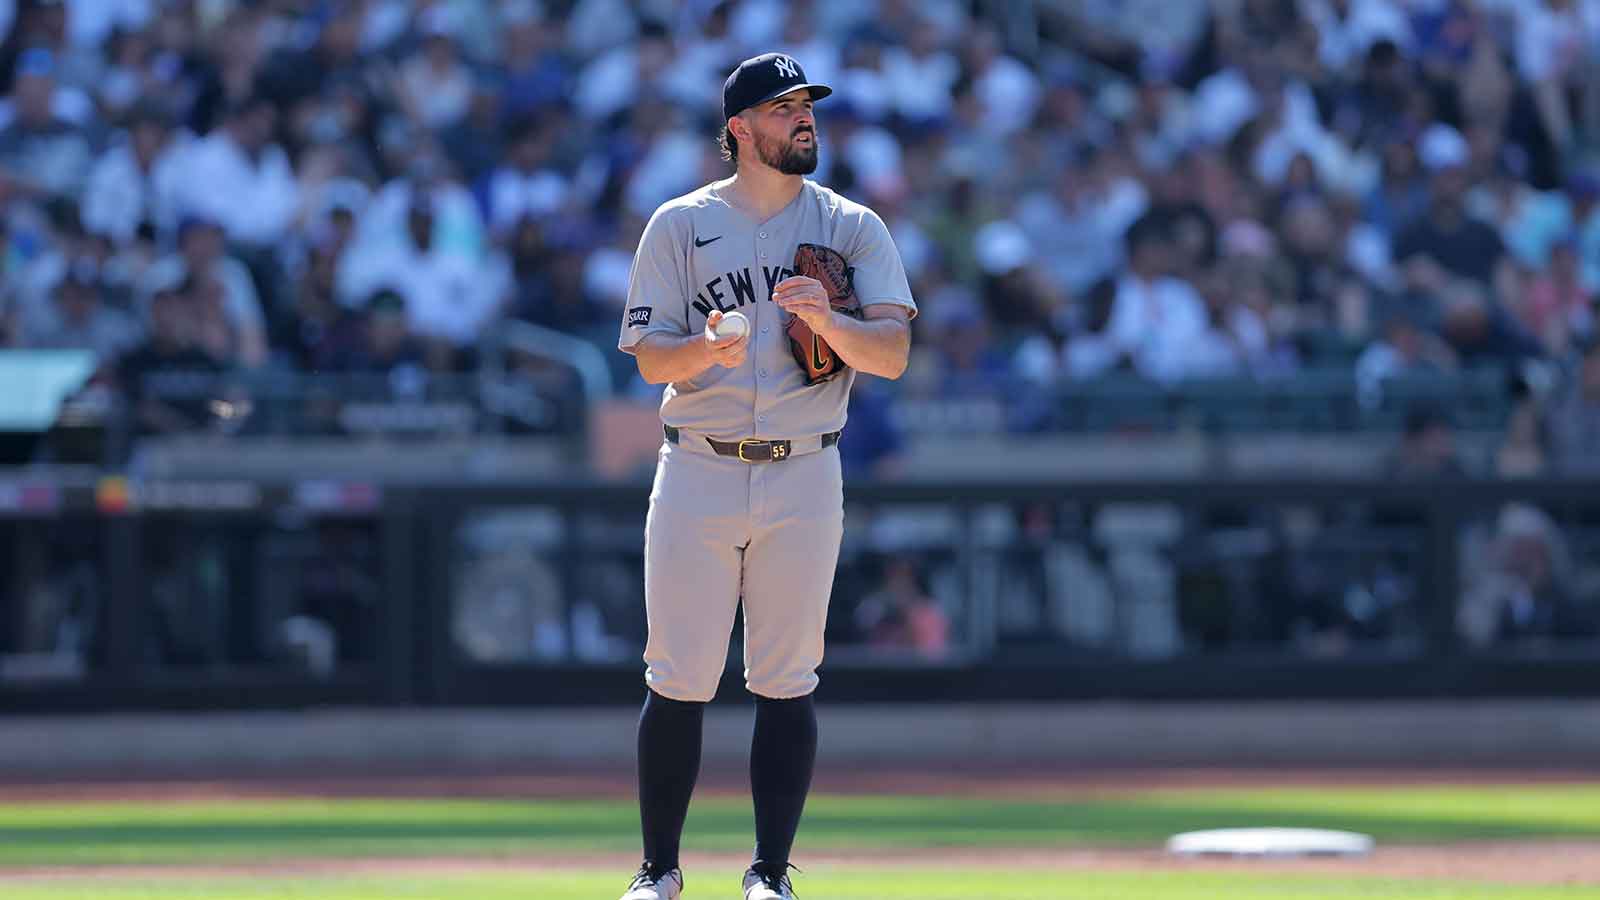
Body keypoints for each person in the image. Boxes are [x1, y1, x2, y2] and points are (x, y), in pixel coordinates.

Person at [615, 53, 915, 900]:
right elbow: (647, 361)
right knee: (676, 675)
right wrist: (705, 349)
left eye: (807, 105)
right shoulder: (678, 223)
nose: (804, 118)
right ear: (740, 129)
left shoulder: (851, 225)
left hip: (805, 470)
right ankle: (660, 870)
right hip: (699, 467)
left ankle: (770, 873)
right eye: (784, 108)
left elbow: (890, 353)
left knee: (787, 675)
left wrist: (835, 323)